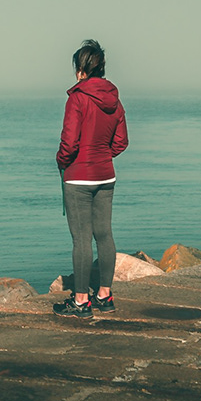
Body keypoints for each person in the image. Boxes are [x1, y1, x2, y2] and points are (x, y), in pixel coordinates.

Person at [54, 39, 128, 318]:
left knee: (82, 239)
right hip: (106, 175)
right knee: (105, 235)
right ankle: (105, 296)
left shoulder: (77, 98)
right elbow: (121, 141)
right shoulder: (114, 99)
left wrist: (62, 161)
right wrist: (103, 156)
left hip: (79, 178)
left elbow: (69, 142)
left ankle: (81, 301)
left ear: (81, 69)